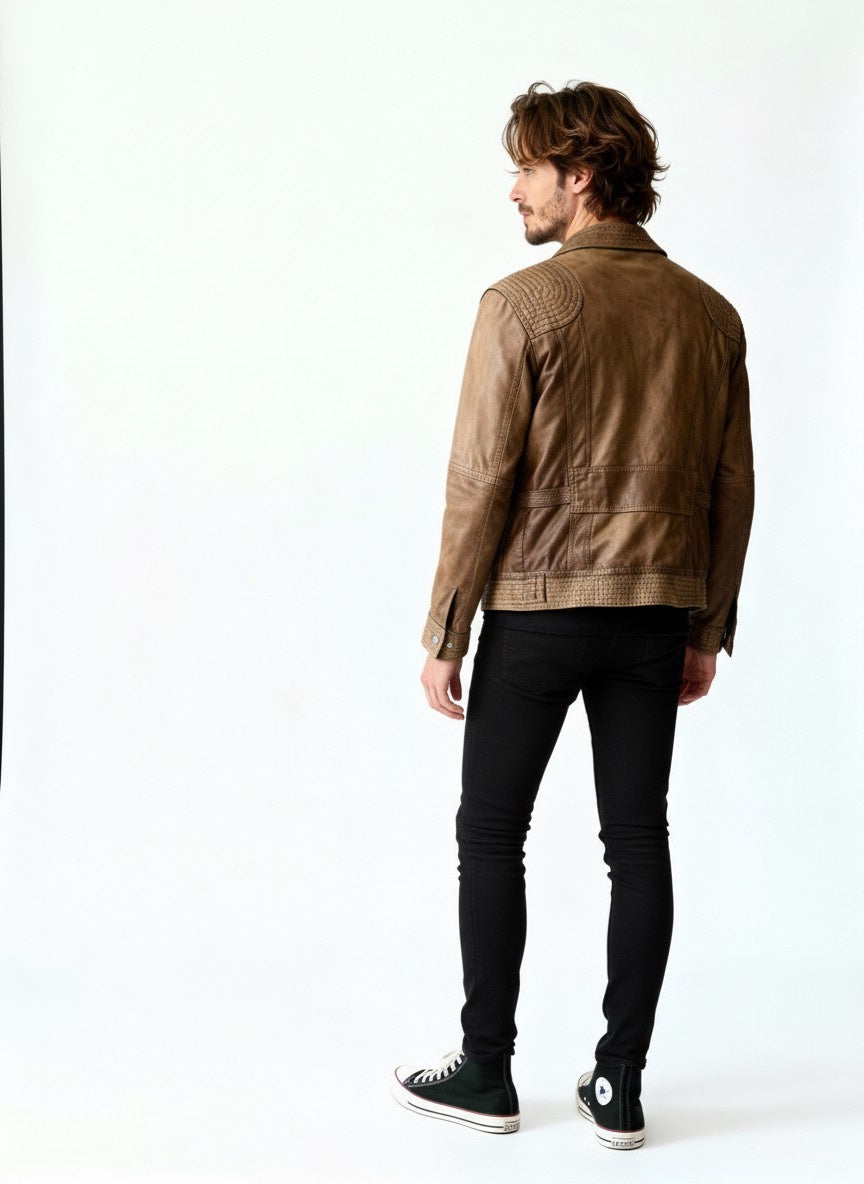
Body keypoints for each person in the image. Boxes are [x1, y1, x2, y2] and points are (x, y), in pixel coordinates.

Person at [389, 79, 755, 1151]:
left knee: (491, 832)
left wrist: (446, 629)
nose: (514, 190)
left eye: (527, 169)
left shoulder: (521, 304)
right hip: (653, 615)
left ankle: (487, 1071)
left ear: (580, 176)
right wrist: (704, 628)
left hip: (538, 613)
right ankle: (621, 1084)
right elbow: (733, 488)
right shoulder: (710, 313)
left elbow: (479, 480)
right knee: (637, 839)